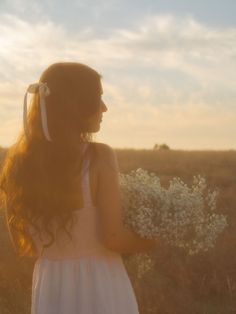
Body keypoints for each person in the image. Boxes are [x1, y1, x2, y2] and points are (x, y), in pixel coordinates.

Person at [0, 62, 158, 314]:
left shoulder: (18, 164)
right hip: (100, 282)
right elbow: (113, 238)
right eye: (98, 99)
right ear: (76, 105)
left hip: (51, 284)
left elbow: (23, 246)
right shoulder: (99, 156)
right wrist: (153, 239)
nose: (104, 108)